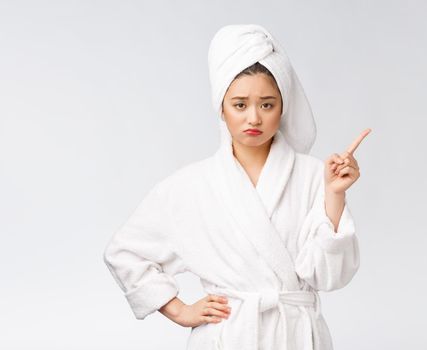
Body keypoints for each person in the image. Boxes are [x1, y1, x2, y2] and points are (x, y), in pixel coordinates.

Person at [103, 24, 371, 350]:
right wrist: (179, 310)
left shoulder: (315, 176)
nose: (254, 118)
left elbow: (330, 277)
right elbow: (125, 252)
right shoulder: (192, 185)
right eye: (240, 105)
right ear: (222, 107)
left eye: (267, 104)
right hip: (227, 337)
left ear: (283, 107)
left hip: (296, 336)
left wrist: (335, 194)